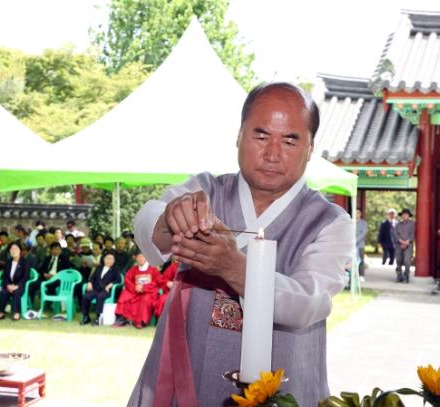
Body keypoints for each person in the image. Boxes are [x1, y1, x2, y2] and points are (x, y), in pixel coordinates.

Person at [129, 82, 353, 406]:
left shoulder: (329, 221)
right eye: (261, 136)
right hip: (190, 376)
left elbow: (310, 302)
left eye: (289, 140)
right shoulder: (206, 191)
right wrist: (170, 218)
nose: (272, 154)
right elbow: (148, 223)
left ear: (310, 147)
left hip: (284, 385)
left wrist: (234, 268)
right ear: (239, 135)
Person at [113, 250, 161, 329]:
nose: (141, 259)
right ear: (136, 258)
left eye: (142, 257)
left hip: (148, 292)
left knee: (146, 299)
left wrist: (144, 288)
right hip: (134, 291)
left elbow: (157, 281)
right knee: (124, 295)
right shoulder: (133, 269)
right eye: (139, 257)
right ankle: (121, 319)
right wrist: (135, 287)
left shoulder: (153, 269)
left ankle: (141, 321)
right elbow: (127, 280)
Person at [81, 251, 122, 325]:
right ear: (104, 259)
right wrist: (89, 282)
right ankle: (86, 316)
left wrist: (111, 284)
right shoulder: (99, 268)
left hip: (106, 291)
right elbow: (92, 277)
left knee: (100, 297)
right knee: (86, 297)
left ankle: (98, 317)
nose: (109, 260)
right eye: (107, 258)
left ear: (114, 261)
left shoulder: (115, 270)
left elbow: (119, 280)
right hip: (95, 289)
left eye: (111, 259)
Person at [0, 241, 30, 320]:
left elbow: (25, 277)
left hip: (20, 285)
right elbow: (5, 276)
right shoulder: (8, 262)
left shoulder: (25, 262)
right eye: (11, 249)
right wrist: (8, 285)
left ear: (20, 250)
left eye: (15, 249)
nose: (13, 251)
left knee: (17, 292)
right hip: (9, 285)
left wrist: (17, 286)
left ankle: (16, 312)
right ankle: (1, 312)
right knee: (4, 292)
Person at [394, 208, 415, 283]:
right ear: (401, 216)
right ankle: (399, 275)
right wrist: (401, 241)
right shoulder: (398, 225)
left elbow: (413, 234)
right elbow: (395, 234)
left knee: (407, 261)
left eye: (406, 214)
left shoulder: (412, 224)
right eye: (403, 214)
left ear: (409, 216)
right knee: (398, 260)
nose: (405, 216)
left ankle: (406, 276)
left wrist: (407, 242)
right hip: (399, 244)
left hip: (408, 245)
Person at [355, 208, 368, 281]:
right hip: (351, 245)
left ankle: (361, 275)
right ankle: (353, 275)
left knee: (361, 260)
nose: (356, 214)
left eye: (358, 213)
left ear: (360, 214)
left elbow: (363, 233)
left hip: (360, 245)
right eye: (355, 212)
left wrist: (355, 240)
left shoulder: (364, 223)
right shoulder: (350, 222)